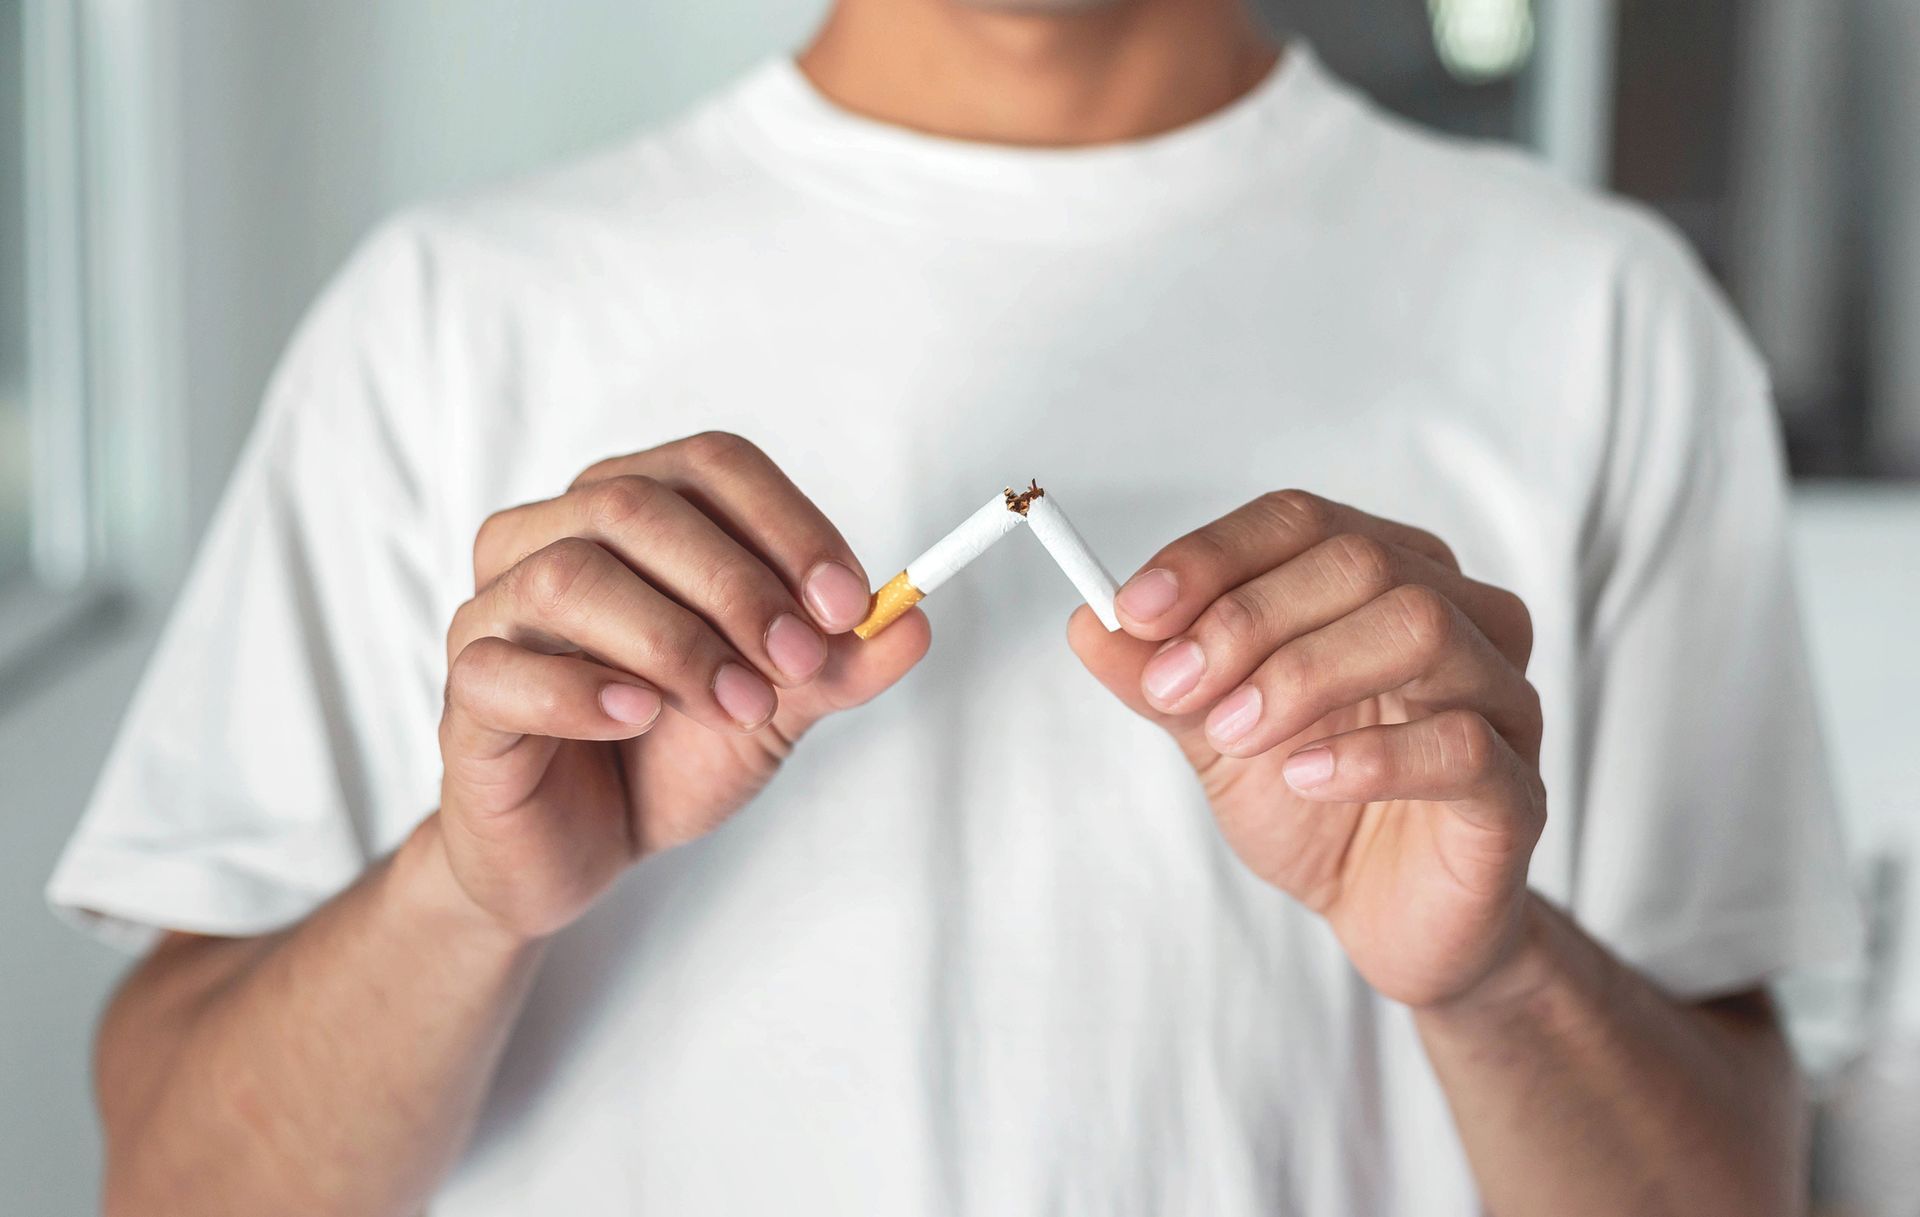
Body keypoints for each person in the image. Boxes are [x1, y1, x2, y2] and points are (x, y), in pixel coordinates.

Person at [48, 0, 1861, 1213]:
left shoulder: (1602, 318)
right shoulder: (447, 321)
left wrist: (1493, 975)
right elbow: (176, 1181)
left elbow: (1728, 1180)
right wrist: (464, 889)